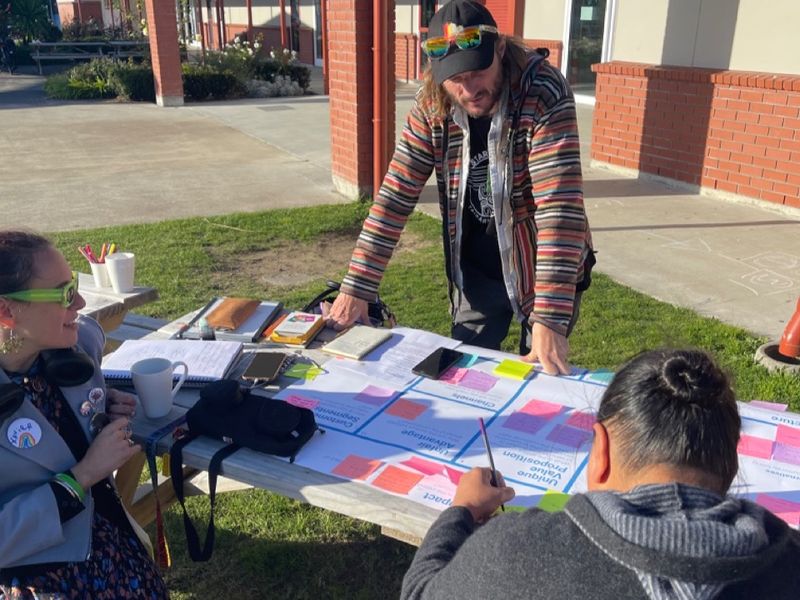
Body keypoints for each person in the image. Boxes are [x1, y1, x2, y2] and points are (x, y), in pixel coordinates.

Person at [401, 348, 800, 599]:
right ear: (730, 462)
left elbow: (420, 592)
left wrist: (464, 511)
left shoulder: (515, 552)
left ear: (601, 451)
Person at [328, 0, 594, 375]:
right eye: (455, 77)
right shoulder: (431, 103)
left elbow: (559, 207)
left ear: (500, 49)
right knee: (462, 375)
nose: (469, 89)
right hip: (476, 270)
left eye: (477, 71)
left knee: (537, 374)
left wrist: (549, 318)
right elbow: (395, 196)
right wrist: (357, 288)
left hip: (543, 267)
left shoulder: (543, 91)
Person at [0, 230, 169, 599]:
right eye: (63, 293)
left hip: (110, 546)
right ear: (7, 312)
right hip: (35, 575)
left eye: (74, 284)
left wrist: (95, 407)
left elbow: (89, 331)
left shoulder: (72, 346)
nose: (79, 301)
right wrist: (84, 475)